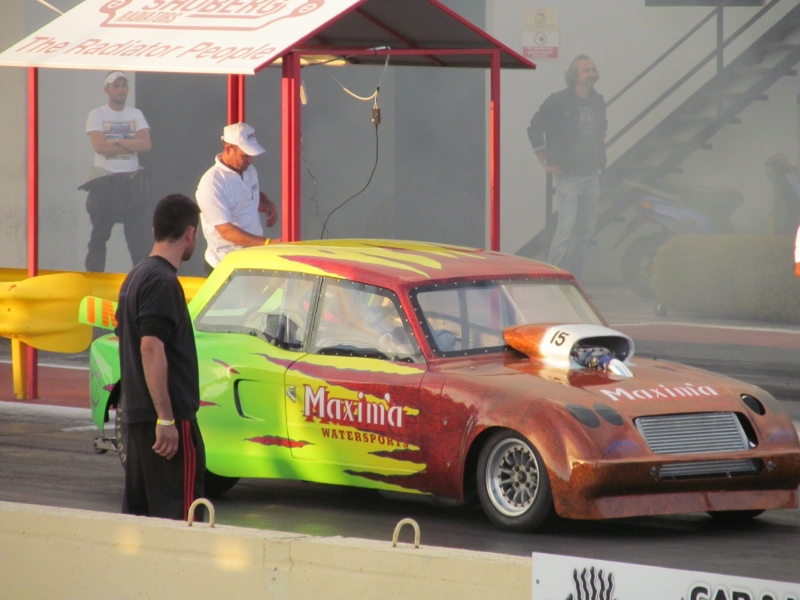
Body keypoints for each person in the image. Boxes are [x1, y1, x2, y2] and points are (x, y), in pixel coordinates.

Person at [116, 194, 204, 520]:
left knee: (140, 521)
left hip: (137, 419)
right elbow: (150, 347)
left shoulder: (135, 276)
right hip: (167, 424)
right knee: (183, 519)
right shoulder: (162, 282)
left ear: (155, 229)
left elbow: (126, 337)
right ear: (190, 233)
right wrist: (166, 419)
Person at [528, 55, 608, 281]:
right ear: (575, 75)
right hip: (568, 176)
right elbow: (534, 128)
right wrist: (545, 161)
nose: (592, 74)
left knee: (584, 234)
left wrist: (600, 164)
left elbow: (601, 132)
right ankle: (550, 281)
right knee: (565, 233)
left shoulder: (597, 101)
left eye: (593, 70)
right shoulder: (558, 101)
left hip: (591, 175)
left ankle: (575, 281)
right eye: (586, 70)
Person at [80, 71, 153, 273]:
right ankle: (94, 277)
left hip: (130, 182)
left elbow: (146, 145)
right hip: (105, 182)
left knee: (137, 239)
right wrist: (131, 143)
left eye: (124, 85)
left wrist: (116, 141)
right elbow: (99, 147)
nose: (121, 90)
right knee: (99, 236)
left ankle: (141, 279)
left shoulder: (136, 114)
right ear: (107, 90)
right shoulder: (97, 114)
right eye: (116, 86)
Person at [196, 122, 280, 274]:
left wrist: (267, 204)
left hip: (252, 260)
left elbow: (251, 194)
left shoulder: (249, 170)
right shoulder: (212, 183)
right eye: (245, 155)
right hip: (225, 265)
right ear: (228, 149)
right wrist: (267, 243)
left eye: (252, 155)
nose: (250, 160)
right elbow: (225, 231)